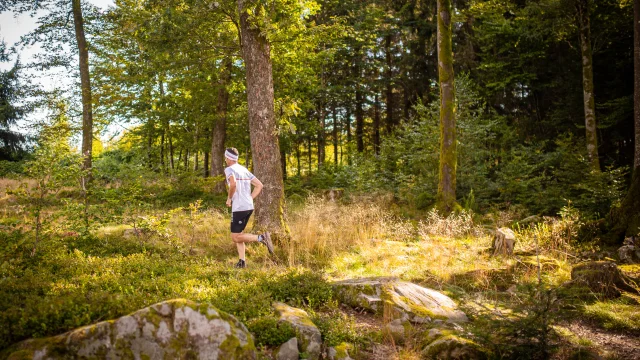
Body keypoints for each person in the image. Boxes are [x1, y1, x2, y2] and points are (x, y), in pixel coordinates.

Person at [223, 147, 274, 268]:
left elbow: (233, 184)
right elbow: (259, 185)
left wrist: (229, 198)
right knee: (239, 234)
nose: (225, 160)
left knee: (235, 237)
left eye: (226, 157)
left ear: (229, 158)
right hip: (248, 206)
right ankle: (242, 262)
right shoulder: (243, 169)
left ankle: (262, 238)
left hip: (239, 207)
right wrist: (250, 198)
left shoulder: (229, 169)